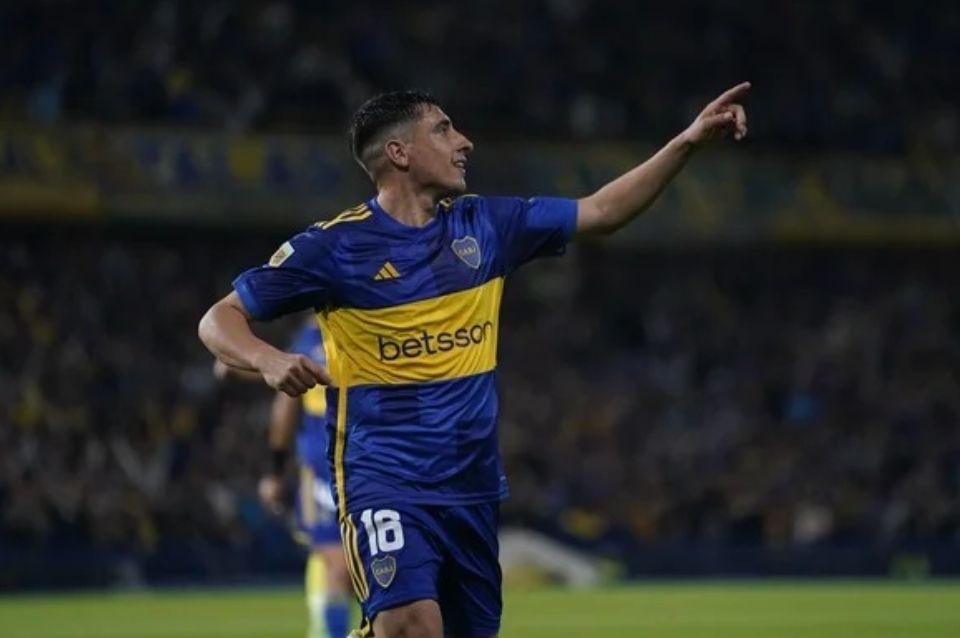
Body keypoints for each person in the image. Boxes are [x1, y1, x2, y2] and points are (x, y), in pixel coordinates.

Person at [199, 84, 749, 638]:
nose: (464, 141)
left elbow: (602, 211)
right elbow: (218, 319)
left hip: (471, 487)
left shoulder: (487, 224)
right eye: (443, 129)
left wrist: (687, 141)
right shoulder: (334, 247)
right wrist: (267, 359)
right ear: (399, 153)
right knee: (411, 624)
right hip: (383, 479)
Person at [214, 318, 352, 638]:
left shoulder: (346, 331)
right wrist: (275, 470)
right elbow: (287, 395)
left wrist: (239, 366)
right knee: (337, 562)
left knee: (357, 566)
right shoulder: (313, 338)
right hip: (324, 470)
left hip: (368, 465)